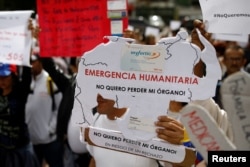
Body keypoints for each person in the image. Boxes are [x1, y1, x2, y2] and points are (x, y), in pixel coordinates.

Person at [87, 94, 184, 167]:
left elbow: (177, 163)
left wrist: (178, 147)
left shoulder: (151, 122)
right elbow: (95, 159)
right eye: (95, 86)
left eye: (104, 86)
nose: (97, 95)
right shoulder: (95, 120)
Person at [25, 54, 64, 167]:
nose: (31, 65)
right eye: (29, 62)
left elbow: (60, 106)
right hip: (32, 141)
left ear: (40, 61)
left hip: (50, 141)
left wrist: (51, 129)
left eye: (33, 61)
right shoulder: (26, 82)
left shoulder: (50, 81)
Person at [0, 63, 40, 167]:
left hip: (21, 149)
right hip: (3, 149)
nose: (2, 80)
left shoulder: (20, 93)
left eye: (5, 76)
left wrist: (26, 51)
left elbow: (27, 76)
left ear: (13, 77)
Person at [213, 44, 247, 108]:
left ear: (244, 61)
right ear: (223, 61)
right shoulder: (216, 85)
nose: (234, 63)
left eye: (237, 59)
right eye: (231, 59)